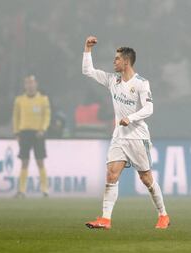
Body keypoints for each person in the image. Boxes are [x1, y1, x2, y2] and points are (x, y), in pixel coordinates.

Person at [82, 36, 169, 229]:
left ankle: (163, 215)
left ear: (126, 61)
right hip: (119, 136)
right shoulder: (113, 80)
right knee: (111, 175)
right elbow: (88, 71)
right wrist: (87, 49)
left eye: (117, 59)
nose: (114, 62)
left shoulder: (141, 83)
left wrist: (130, 118)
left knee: (146, 178)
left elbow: (149, 109)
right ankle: (105, 219)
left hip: (138, 136)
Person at [13, 75, 51, 198]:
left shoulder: (43, 99)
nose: (30, 85)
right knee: (24, 161)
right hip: (24, 133)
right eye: (27, 83)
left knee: (40, 161)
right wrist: (17, 132)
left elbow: (47, 116)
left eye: (32, 83)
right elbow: (16, 117)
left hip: (38, 133)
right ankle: (22, 191)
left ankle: (45, 190)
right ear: (25, 85)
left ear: (36, 84)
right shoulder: (19, 100)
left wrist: (43, 129)